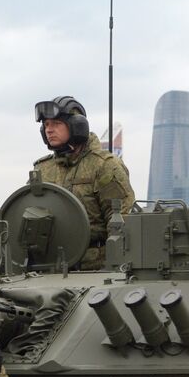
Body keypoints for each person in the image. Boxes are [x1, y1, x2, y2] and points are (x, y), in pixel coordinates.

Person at [32, 96, 137, 269]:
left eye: (56, 123)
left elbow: (122, 219)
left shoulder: (104, 166)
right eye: (46, 125)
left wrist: (115, 266)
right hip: (50, 265)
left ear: (76, 125)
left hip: (96, 268)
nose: (49, 130)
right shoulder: (42, 169)